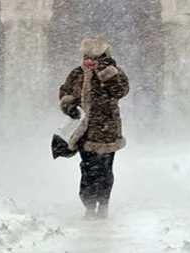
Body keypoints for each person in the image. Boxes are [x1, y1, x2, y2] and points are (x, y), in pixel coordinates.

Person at [58, 35, 129, 219]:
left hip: (106, 130)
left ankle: (103, 204)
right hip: (83, 131)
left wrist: (107, 74)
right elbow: (64, 91)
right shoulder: (76, 74)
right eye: (86, 58)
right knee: (87, 169)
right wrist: (69, 105)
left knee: (105, 170)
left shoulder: (113, 74)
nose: (89, 62)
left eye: (93, 58)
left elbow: (120, 91)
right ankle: (89, 205)